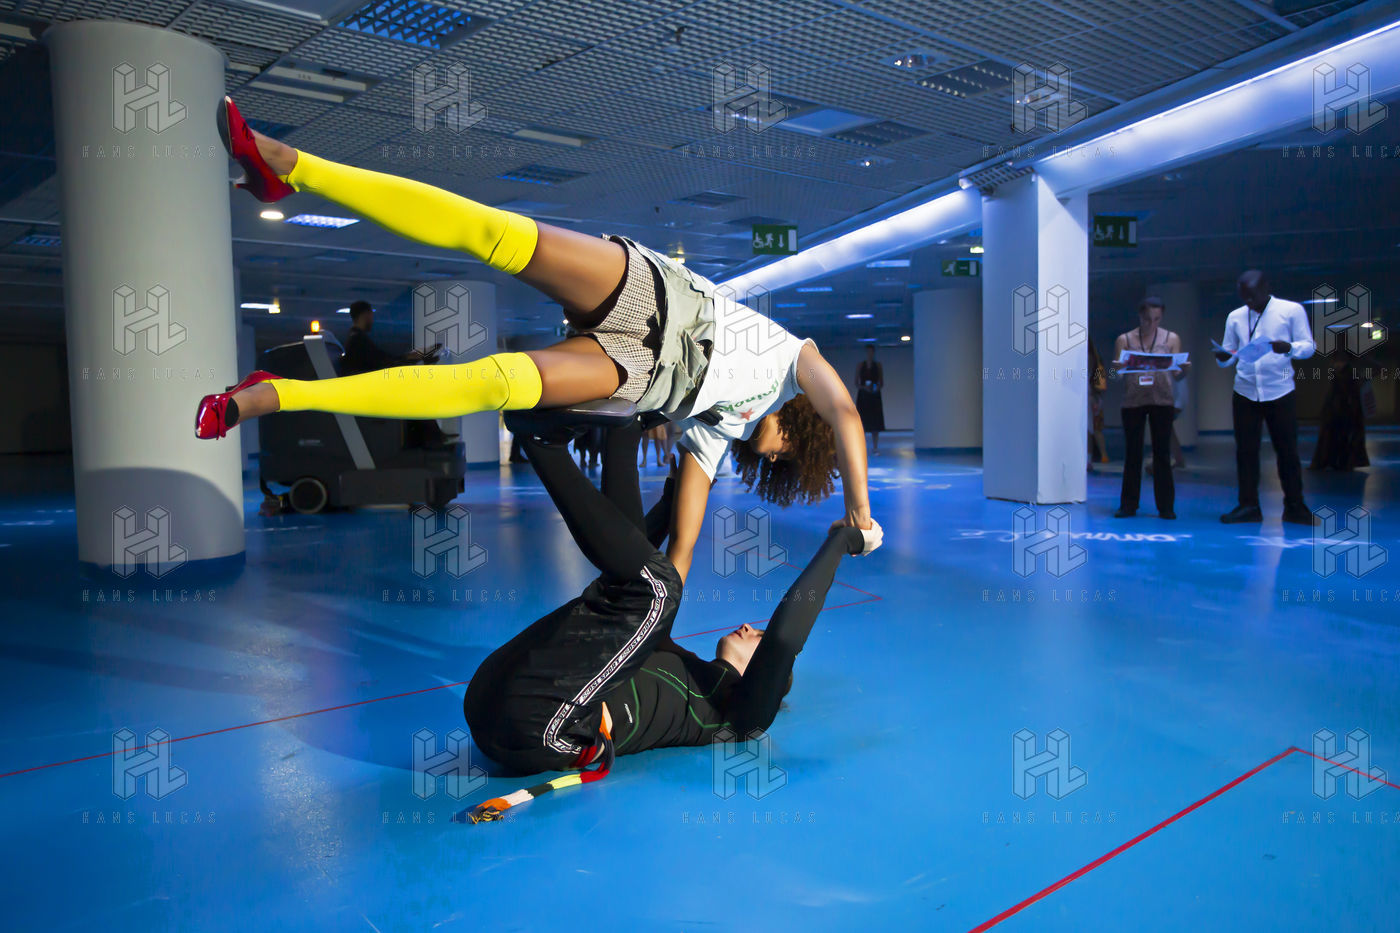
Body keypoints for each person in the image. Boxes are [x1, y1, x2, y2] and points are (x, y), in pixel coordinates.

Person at [198, 97, 877, 569]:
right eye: (789, 454)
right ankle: (292, 167)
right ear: (801, 430)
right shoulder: (794, 360)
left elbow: (687, 528)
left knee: (493, 384)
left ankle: (279, 393)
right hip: (657, 296)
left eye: (777, 466)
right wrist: (859, 513)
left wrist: (667, 592)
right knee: (492, 232)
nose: (774, 456)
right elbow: (846, 411)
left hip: (639, 374)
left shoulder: (722, 426)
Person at [461, 420, 876, 822]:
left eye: (758, 638)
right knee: (627, 588)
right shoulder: (676, 659)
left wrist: (841, 541)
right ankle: (622, 429)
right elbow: (630, 564)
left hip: (542, 727)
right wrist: (673, 495)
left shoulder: (738, 716)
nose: (750, 628)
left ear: (764, 671)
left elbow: (785, 638)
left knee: (661, 590)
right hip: (488, 695)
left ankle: (543, 445)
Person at [1213, 270, 1316, 525]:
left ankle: (1295, 506)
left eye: (1252, 296)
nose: (1248, 302)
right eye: (1244, 297)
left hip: (1280, 391)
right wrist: (1223, 357)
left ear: (1265, 288)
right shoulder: (1235, 317)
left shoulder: (1290, 311)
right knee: (1246, 452)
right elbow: (1228, 355)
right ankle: (1248, 506)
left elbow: (1309, 346)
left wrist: (1289, 347)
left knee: (1287, 452)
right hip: (1245, 391)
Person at [1113, 297, 1186, 519]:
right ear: (1140, 316)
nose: (1151, 324)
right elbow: (1115, 374)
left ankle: (1166, 506)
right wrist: (1118, 368)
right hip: (1133, 400)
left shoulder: (1171, 338)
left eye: (1156, 319)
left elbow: (1177, 374)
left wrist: (1184, 369)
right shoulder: (1125, 339)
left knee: (1162, 454)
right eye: (1147, 319)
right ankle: (1128, 505)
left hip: (1162, 400)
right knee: (1132, 453)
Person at [340, 300, 430, 376]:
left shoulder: (354, 337)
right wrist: (408, 358)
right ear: (365, 315)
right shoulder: (359, 340)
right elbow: (381, 362)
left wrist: (407, 357)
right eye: (371, 315)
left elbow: (380, 359)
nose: (372, 320)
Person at [1309, 361, 1369, 471]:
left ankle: (1339, 461)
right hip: (1340, 404)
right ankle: (1339, 461)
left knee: (1340, 433)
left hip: (1343, 404)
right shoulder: (1344, 369)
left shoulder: (1348, 369)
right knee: (1336, 432)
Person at [854, 346, 885, 454]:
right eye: (868, 352)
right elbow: (856, 383)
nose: (870, 354)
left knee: (875, 423)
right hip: (863, 396)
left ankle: (875, 447)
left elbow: (881, 383)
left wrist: (875, 387)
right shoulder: (860, 366)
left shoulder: (878, 366)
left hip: (874, 396)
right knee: (862, 422)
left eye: (871, 352)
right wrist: (864, 387)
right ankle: (862, 447)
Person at [1087, 340, 1109, 468]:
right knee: (1094, 430)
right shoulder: (1097, 360)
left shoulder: (1095, 362)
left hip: (1092, 399)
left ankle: (1092, 458)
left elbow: (1101, 385)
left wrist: (1095, 397)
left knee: (1092, 430)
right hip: (1093, 398)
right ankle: (1099, 456)